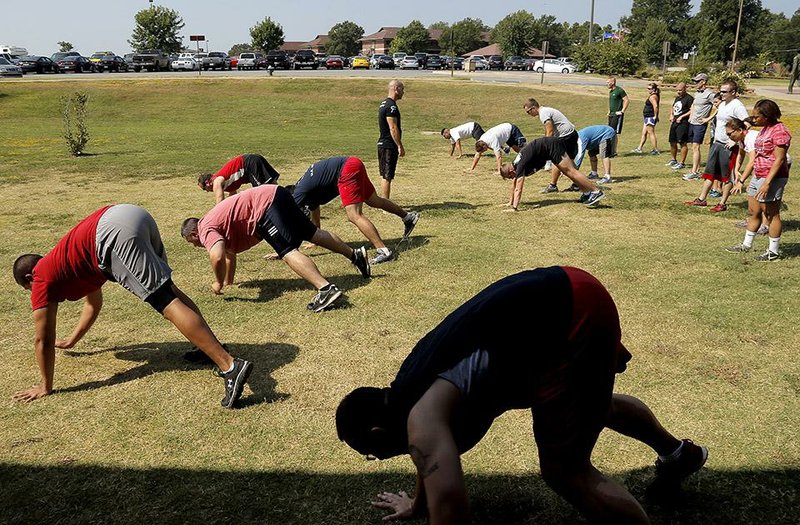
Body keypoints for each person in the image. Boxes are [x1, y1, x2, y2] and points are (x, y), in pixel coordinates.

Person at [336, 267, 708, 525]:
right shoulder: (406, 394)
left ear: (377, 436)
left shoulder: (421, 420)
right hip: (561, 290)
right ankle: (679, 454)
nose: (378, 458)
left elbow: (450, 506)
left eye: (372, 454)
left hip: (565, 314)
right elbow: (429, 463)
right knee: (590, 406)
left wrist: (431, 506)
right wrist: (418, 505)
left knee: (566, 471)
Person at [11, 204, 252, 408]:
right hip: (132, 215)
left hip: (112, 234)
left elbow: (42, 340)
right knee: (170, 291)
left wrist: (45, 385)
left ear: (29, 279)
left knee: (164, 301)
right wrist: (72, 340)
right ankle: (208, 347)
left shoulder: (41, 277)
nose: (35, 296)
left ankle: (229, 365)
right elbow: (93, 305)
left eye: (29, 290)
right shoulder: (66, 264)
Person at [181, 185, 371, 312]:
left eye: (193, 243)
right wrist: (228, 282)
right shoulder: (214, 221)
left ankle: (326, 289)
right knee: (312, 233)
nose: (197, 246)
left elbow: (218, 256)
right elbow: (229, 254)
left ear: (194, 234)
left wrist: (217, 282)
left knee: (286, 251)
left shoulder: (205, 229)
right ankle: (355, 256)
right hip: (276, 193)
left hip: (264, 207)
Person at [288, 156, 420, 265]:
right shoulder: (308, 193)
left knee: (354, 215)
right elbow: (314, 216)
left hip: (347, 169)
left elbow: (290, 220)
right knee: (373, 200)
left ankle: (383, 251)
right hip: (353, 162)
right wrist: (314, 241)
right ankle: (408, 217)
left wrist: (287, 249)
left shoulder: (298, 194)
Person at [728, 100, 792, 261]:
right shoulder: (764, 129)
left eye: (757, 117)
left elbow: (779, 160)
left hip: (773, 177)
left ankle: (773, 252)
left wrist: (767, 183)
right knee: (754, 211)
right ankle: (746, 244)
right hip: (759, 174)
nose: (753, 119)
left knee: (771, 214)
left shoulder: (779, 131)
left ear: (767, 116)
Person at [684, 80, 749, 213]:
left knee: (727, 176)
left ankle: (722, 203)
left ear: (733, 92)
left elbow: (747, 123)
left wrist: (735, 141)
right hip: (717, 143)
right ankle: (702, 199)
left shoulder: (737, 106)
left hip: (728, 147)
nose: (721, 93)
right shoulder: (723, 104)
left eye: (724, 91)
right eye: (721, 91)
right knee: (710, 173)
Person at [499, 136, 605, 209]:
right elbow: (514, 183)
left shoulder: (520, 165)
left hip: (552, 146)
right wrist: (510, 202)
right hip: (549, 149)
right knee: (568, 172)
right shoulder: (515, 164)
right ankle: (586, 193)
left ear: (511, 171)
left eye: (510, 177)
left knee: (570, 171)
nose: (512, 178)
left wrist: (514, 207)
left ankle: (595, 192)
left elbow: (518, 188)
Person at [522, 98, 579, 194]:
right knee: (569, 161)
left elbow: (550, 131)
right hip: (571, 134)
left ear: (533, 108)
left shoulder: (543, 113)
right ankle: (578, 184)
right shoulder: (546, 111)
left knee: (557, 160)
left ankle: (553, 185)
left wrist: (546, 146)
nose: (529, 114)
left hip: (565, 136)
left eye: (528, 112)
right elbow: (548, 130)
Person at [198, 154, 281, 204]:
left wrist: (216, 216)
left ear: (208, 183)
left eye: (205, 189)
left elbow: (220, 200)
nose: (208, 191)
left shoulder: (216, 182)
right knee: (273, 187)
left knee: (264, 194)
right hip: (253, 160)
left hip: (249, 164)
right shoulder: (227, 185)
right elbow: (232, 196)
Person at [683, 73, 717, 180]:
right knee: (694, 147)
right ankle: (696, 170)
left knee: (695, 147)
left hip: (700, 125)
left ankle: (694, 172)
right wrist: (691, 116)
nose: (695, 84)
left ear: (703, 82)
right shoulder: (697, 94)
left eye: (697, 81)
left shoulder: (710, 94)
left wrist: (708, 118)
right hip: (693, 123)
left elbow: (719, 107)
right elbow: (693, 105)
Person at [377, 79, 405, 199]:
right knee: (387, 176)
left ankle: (384, 202)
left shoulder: (384, 103)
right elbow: (393, 128)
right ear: (396, 89)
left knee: (385, 175)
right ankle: (386, 204)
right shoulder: (391, 107)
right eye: (402, 89)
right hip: (388, 145)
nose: (403, 92)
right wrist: (399, 145)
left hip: (383, 144)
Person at [666, 82, 694, 170]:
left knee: (682, 142)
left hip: (683, 123)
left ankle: (682, 162)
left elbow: (692, 110)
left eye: (680, 90)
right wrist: (671, 115)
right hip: (675, 122)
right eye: (677, 90)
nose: (678, 92)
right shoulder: (678, 98)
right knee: (672, 141)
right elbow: (673, 106)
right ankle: (673, 159)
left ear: (685, 89)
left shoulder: (689, 98)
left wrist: (682, 116)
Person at [632, 83, 661, 155]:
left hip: (650, 117)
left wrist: (655, 116)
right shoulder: (654, 96)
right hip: (647, 117)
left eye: (649, 88)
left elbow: (656, 106)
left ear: (654, 89)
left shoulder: (652, 97)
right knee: (644, 133)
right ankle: (639, 148)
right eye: (648, 88)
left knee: (651, 133)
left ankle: (655, 149)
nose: (648, 90)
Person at [607, 76, 629, 150]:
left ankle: (614, 150)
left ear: (612, 82)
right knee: (610, 131)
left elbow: (626, 100)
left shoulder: (619, 90)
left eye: (608, 82)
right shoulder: (611, 92)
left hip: (617, 115)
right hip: (611, 114)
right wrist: (609, 111)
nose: (607, 83)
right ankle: (610, 149)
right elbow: (612, 102)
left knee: (614, 133)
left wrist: (622, 111)